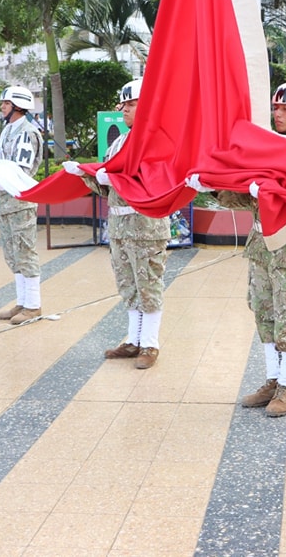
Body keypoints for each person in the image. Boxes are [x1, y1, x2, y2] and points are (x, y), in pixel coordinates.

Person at [186, 81, 286, 417]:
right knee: (264, 312)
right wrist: (214, 187)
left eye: (285, 109)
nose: (277, 114)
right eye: (275, 108)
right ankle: (272, 380)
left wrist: (267, 190)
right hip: (261, 244)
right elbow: (248, 197)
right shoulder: (268, 147)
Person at [64, 79, 170, 369]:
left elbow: (155, 181)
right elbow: (108, 190)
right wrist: (87, 176)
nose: (122, 109)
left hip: (146, 227)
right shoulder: (119, 143)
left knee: (148, 286)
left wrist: (114, 178)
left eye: (130, 103)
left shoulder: (157, 140)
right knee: (128, 285)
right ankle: (133, 339)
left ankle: (150, 344)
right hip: (121, 226)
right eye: (122, 104)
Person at [0, 86, 44, 324]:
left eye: (5, 103)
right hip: (5, 200)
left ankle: (33, 305)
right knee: (12, 254)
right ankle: (22, 302)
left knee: (25, 252)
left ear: (17, 106)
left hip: (20, 200)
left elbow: (20, 169)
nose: (2, 106)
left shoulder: (27, 132)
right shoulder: (8, 130)